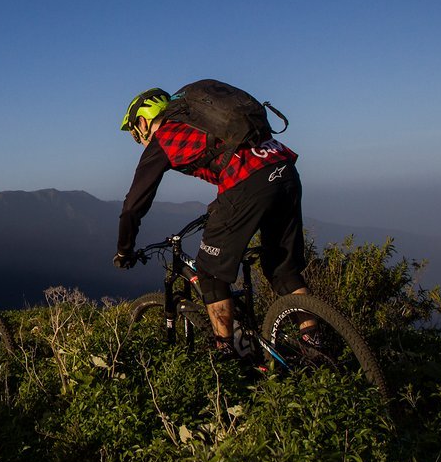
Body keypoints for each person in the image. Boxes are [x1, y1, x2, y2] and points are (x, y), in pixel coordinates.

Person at [115, 87, 315, 359]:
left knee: (209, 275)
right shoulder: (200, 120)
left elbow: (133, 206)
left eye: (135, 132)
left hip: (248, 183)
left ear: (143, 121)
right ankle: (315, 346)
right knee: (284, 271)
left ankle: (227, 354)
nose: (138, 138)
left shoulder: (165, 137)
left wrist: (124, 249)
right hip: (284, 170)